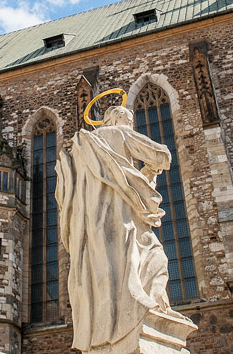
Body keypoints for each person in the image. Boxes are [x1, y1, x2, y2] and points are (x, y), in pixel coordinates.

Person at [56, 105, 179, 352]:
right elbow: (161, 156)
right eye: (127, 118)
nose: (130, 123)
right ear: (114, 118)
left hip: (92, 222)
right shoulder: (118, 133)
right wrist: (155, 164)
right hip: (122, 217)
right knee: (152, 259)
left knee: (105, 270)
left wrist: (142, 176)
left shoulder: (83, 145)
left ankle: (104, 329)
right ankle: (141, 311)